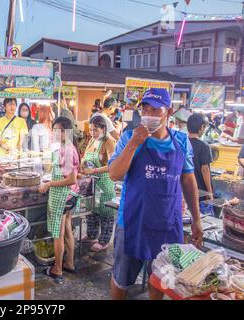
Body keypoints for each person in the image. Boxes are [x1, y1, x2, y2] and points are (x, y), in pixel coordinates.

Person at [108, 88, 203, 300]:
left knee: (159, 280)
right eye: (145, 109)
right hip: (133, 223)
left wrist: (197, 219)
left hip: (167, 225)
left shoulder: (181, 141)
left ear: (168, 112)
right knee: (121, 279)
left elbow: (188, 180)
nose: (149, 115)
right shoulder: (127, 138)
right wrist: (134, 144)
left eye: (156, 110)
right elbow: (114, 174)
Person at [38, 116, 80, 282]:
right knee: (67, 230)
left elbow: (71, 179)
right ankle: (69, 263)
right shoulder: (67, 147)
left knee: (58, 233)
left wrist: (49, 184)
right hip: (70, 196)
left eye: (56, 130)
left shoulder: (66, 150)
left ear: (64, 132)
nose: (53, 133)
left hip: (62, 195)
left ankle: (57, 269)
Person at [81, 115, 116, 252]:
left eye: (95, 130)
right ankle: (91, 235)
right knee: (92, 209)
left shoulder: (109, 141)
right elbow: (85, 156)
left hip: (104, 182)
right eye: (90, 130)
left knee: (105, 212)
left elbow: (112, 165)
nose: (92, 133)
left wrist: (94, 169)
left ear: (103, 128)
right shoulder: (91, 140)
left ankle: (103, 241)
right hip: (91, 181)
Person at [187, 113, 214, 216]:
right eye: (205, 127)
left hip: (185, 186)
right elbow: (205, 169)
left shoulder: (182, 142)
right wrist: (210, 192)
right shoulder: (204, 146)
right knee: (199, 216)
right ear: (202, 127)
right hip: (200, 190)